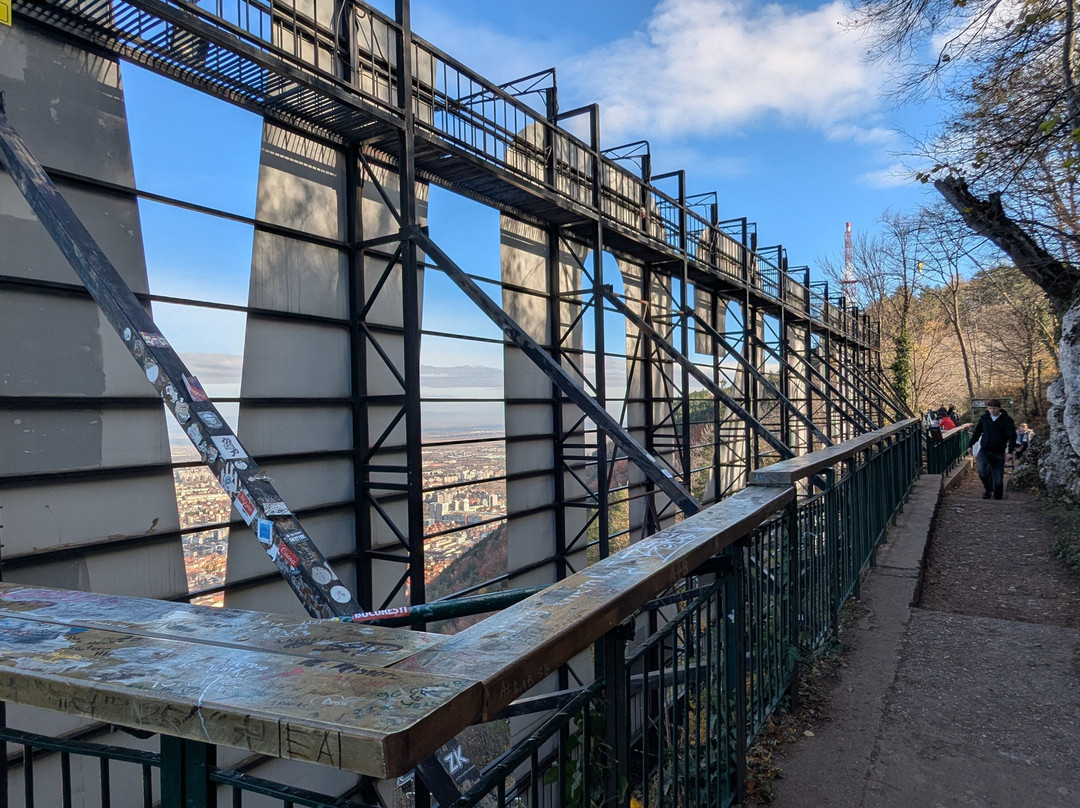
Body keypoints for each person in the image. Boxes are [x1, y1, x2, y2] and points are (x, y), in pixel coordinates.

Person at [970, 398, 1016, 500]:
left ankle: (998, 497)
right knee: (982, 470)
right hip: (985, 449)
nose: (992, 411)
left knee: (998, 477)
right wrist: (970, 445)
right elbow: (977, 432)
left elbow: (1012, 436)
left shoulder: (1007, 420)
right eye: (990, 408)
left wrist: (1010, 451)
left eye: (994, 408)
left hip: (999, 451)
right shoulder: (984, 418)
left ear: (999, 408)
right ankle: (988, 489)